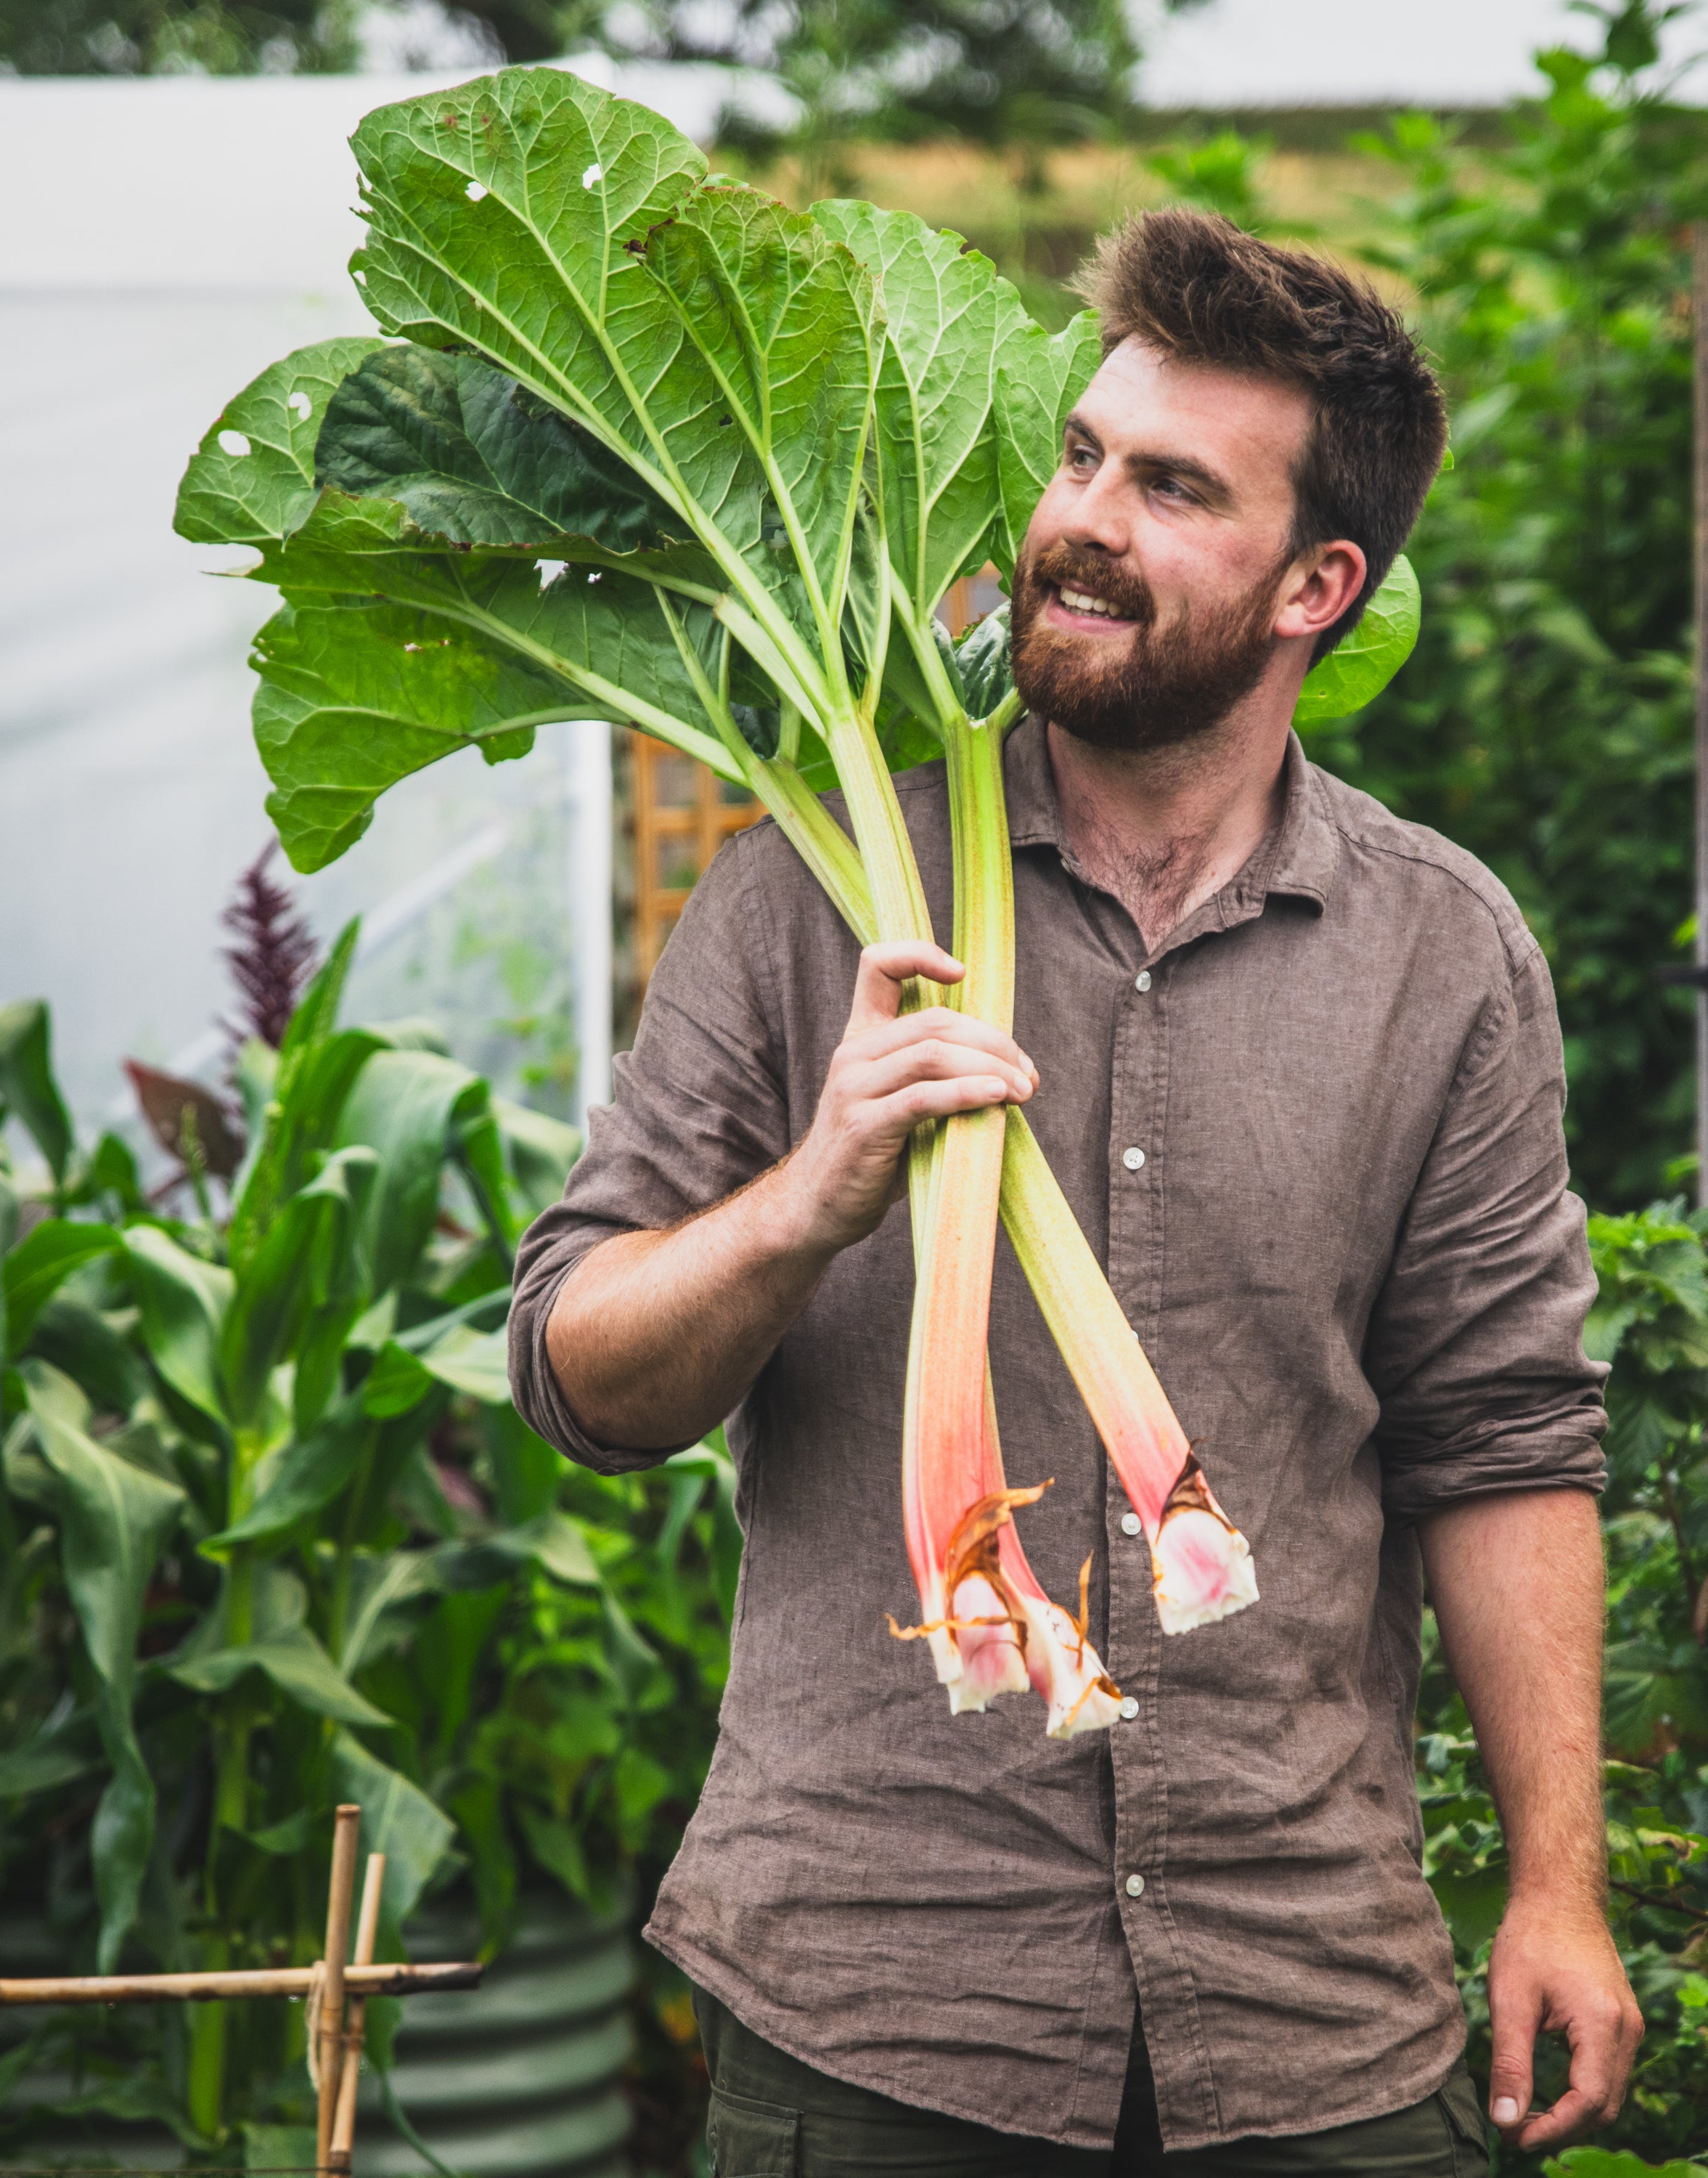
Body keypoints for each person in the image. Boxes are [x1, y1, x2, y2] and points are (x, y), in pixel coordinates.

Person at [508, 206, 1640, 2177]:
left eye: (1174, 486)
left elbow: (1505, 1440)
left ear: (1319, 585)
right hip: (882, 2013)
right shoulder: (808, 894)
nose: (1081, 519)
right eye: (1079, 454)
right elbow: (580, 1383)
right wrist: (810, 1195)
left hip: (1312, 2019)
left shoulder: (1444, 956)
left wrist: (1559, 1885)